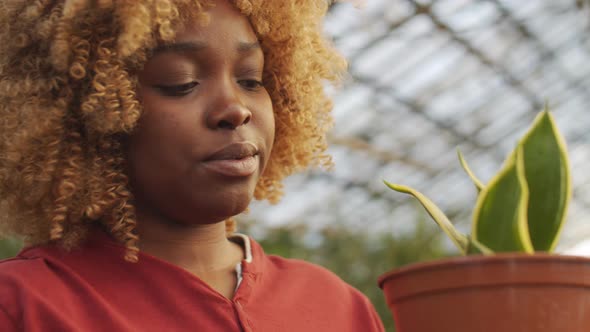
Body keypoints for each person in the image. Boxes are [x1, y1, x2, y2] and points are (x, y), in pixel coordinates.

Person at [0, 0, 385, 331]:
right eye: (180, 82)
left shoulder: (338, 306)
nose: (235, 109)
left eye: (252, 79)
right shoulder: (24, 306)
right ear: (83, 115)